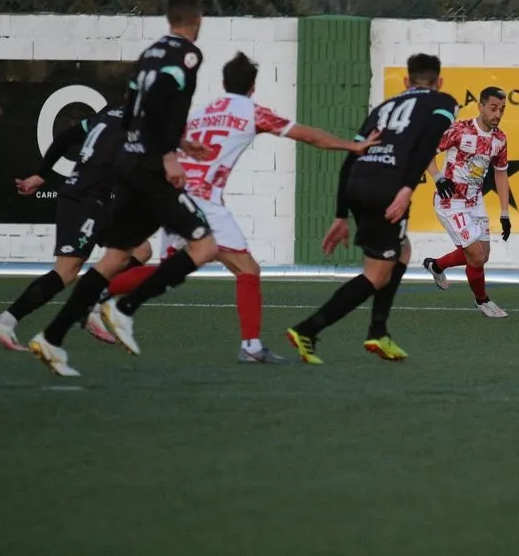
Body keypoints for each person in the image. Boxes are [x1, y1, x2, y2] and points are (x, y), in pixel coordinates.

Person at [102, 52, 381, 363]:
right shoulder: (252, 112)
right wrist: (352, 145)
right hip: (203, 200)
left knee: (172, 270)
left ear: (224, 83)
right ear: (253, 87)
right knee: (247, 269)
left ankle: (100, 290)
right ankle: (251, 346)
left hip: (175, 193)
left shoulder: (201, 113)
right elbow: (309, 136)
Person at [28, 0, 217, 377]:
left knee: (115, 257)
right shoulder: (188, 54)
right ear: (197, 22)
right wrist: (168, 154)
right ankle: (125, 307)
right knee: (204, 245)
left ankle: (52, 337)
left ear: (169, 18)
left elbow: (133, 109)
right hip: (150, 169)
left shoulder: (149, 54)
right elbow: (160, 96)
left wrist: (177, 143)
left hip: (130, 164)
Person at [286, 53, 459, 364]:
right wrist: (407, 188)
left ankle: (378, 331)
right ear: (440, 81)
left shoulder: (383, 108)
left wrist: (341, 214)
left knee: (402, 250)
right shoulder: (443, 101)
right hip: (388, 187)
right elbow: (428, 145)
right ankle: (308, 329)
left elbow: (352, 154)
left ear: (406, 81)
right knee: (376, 275)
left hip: (357, 182)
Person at [0, 106, 153, 352]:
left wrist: (42, 174)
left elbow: (66, 137)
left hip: (98, 199)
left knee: (141, 250)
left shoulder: (109, 115)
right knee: (66, 271)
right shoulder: (142, 125)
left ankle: (90, 305)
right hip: (84, 199)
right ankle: (5, 322)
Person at [421, 86, 512, 317]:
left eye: (502, 109)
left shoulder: (499, 139)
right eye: (493, 108)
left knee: (482, 255)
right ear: (480, 107)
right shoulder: (460, 130)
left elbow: (501, 174)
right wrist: (439, 178)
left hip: (475, 203)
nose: (498, 114)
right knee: (476, 257)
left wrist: (504, 212)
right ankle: (482, 301)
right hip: (450, 203)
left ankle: (436, 265)